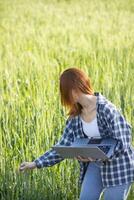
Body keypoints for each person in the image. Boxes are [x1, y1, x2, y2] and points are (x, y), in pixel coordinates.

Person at [19, 67, 134, 200]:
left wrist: (97, 156)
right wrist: (35, 163)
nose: (65, 98)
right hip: (95, 165)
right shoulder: (75, 117)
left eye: (64, 93)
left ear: (73, 91)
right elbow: (64, 145)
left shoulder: (107, 109)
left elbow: (123, 142)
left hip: (119, 166)